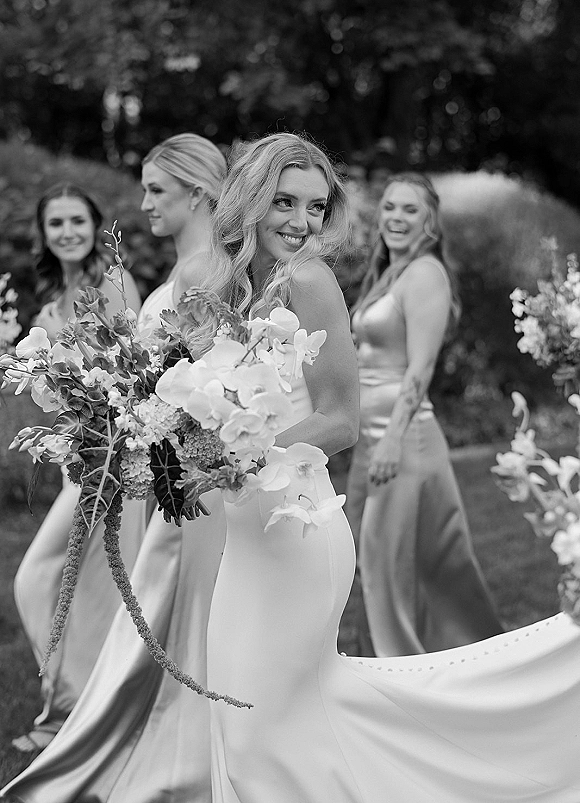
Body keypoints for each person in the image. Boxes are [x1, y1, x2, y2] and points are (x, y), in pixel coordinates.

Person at [5, 134, 580, 803]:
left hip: (299, 533)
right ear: (249, 198)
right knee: (250, 727)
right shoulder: (221, 288)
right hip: (243, 543)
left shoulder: (309, 279)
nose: (301, 222)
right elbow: (180, 393)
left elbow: (339, 416)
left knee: (260, 734)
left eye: (315, 206)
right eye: (284, 202)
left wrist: (240, 456)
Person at [0, 133, 228, 802]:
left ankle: (169, 750)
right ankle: (113, 720)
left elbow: (202, 394)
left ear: (198, 191)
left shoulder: (202, 272)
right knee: (151, 622)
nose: (145, 201)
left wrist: (126, 413)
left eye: (157, 190)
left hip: (171, 478)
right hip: (147, 470)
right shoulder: (187, 268)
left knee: (169, 623)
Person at [345, 172, 504, 657]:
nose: (395, 217)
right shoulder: (389, 274)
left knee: (385, 566)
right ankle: (423, 669)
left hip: (403, 439)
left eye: (410, 209)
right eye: (390, 206)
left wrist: (392, 438)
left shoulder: (425, 274)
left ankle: (398, 673)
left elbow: (421, 366)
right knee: (388, 565)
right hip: (370, 439)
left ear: (430, 220)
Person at [11, 183, 144, 754]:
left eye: (77, 221)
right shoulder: (50, 296)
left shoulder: (113, 284)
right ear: (43, 234)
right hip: (74, 456)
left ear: (94, 225)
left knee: (37, 577)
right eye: (55, 223)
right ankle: (80, 707)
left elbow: (135, 371)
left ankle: (79, 709)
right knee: (82, 592)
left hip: (108, 460)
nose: (67, 232)